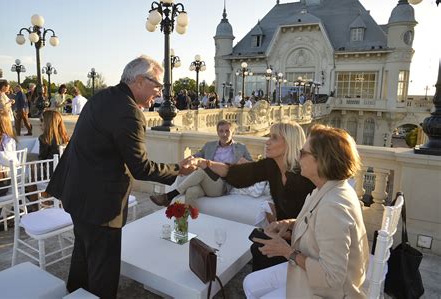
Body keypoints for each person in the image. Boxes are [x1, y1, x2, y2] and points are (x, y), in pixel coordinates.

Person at [46, 55, 198, 298]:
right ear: (139, 81)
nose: (159, 93)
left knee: (83, 257)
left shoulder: (102, 97)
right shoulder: (129, 112)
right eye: (157, 86)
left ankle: (74, 293)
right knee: (103, 274)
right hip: (101, 206)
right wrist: (179, 169)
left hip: (76, 195)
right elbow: (141, 168)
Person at [245, 124, 369, 298]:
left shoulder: (333, 206)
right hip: (308, 271)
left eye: (303, 153)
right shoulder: (325, 188)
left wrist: (287, 252)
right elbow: (318, 224)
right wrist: (290, 223)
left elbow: (332, 278)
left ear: (322, 160)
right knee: (249, 283)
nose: (297, 156)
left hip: (327, 291)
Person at [194, 120, 315, 271]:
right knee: (256, 243)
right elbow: (237, 174)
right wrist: (206, 163)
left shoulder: (304, 175)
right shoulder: (272, 166)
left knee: (260, 247)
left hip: (302, 244)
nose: (267, 142)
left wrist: (289, 233)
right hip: (282, 233)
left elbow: (315, 218)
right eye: (269, 137)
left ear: (289, 143)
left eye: (274, 138)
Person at [150, 119, 253, 207]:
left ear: (232, 132)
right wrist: (182, 164)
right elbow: (196, 156)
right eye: (221, 131)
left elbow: (253, 166)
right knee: (191, 191)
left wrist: (244, 163)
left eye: (227, 131)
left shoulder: (240, 148)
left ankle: (169, 196)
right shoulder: (210, 146)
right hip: (206, 183)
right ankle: (190, 223)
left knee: (201, 170)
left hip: (222, 185)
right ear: (217, 132)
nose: (224, 134)